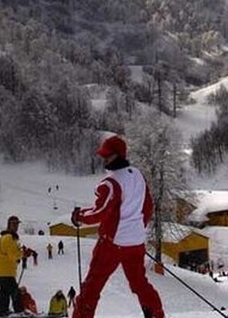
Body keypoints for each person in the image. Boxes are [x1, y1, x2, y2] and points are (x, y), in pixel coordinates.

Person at [70, 135, 165, 318]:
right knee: (139, 283)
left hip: (112, 243)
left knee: (93, 284)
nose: (104, 159)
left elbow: (100, 213)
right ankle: (156, 314)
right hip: (135, 242)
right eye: (103, 154)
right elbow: (147, 206)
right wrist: (136, 228)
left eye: (108, 155)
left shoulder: (110, 183)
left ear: (119, 155)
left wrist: (79, 217)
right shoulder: (137, 175)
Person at [0, 216, 24, 316]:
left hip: (3, 270)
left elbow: (12, 254)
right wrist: (23, 254)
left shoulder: (8, 237)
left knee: (4, 292)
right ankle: (19, 311)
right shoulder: (8, 238)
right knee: (15, 292)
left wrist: (20, 254)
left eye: (17, 224)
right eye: (14, 224)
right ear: (9, 224)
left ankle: (2, 310)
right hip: (5, 270)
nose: (16, 226)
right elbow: (12, 255)